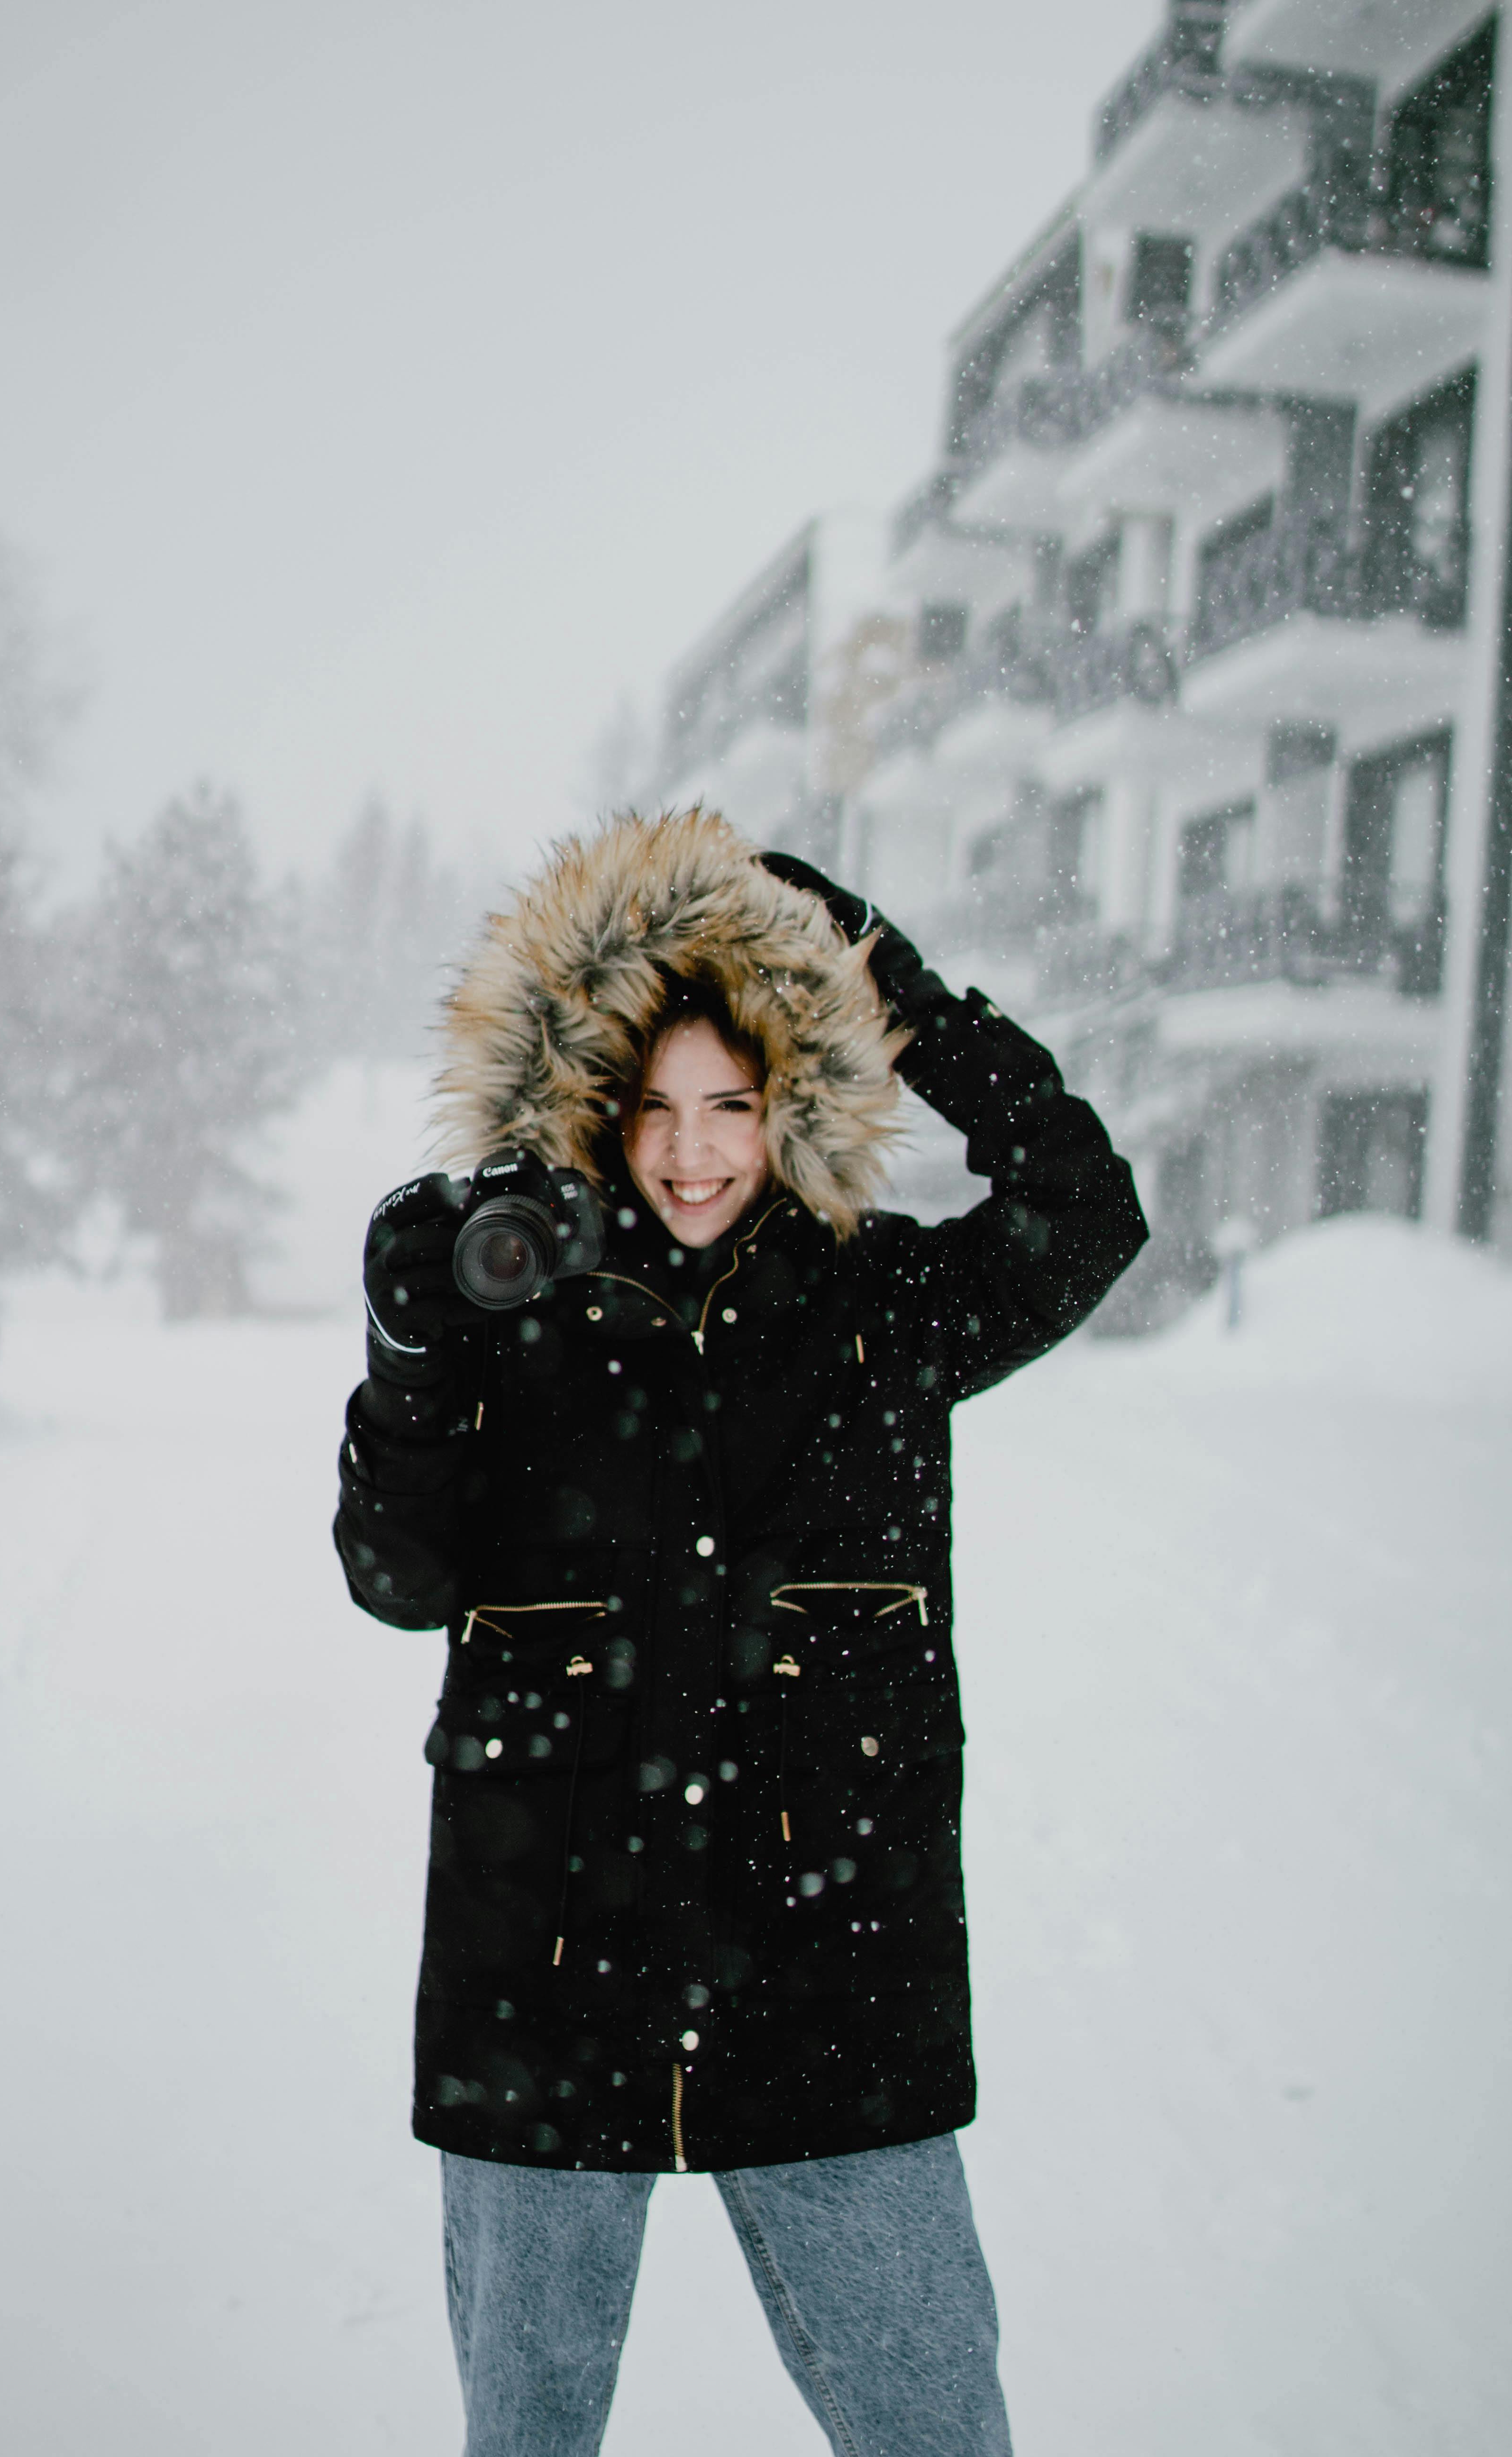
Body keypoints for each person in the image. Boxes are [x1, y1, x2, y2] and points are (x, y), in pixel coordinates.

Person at [335, 805, 1147, 2456]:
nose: (694, 1153)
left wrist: (882, 982)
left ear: (796, 1101)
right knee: (528, 2437)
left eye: (734, 1103)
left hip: (834, 1987)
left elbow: (1085, 1206)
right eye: (652, 1107)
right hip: (546, 1985)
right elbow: (398, 1575)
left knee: (937, 2424)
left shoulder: (883, 1310)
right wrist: (411, 1356)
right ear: (589, 1109)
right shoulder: (517, 1318)